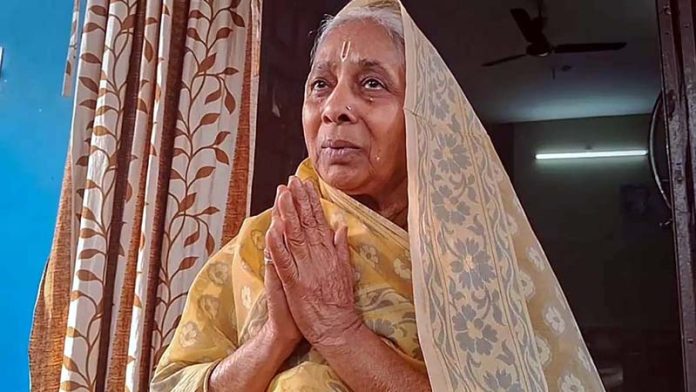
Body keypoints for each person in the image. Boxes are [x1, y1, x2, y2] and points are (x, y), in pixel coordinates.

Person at [151, 1, 605, 391]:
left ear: (421, 117)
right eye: (320, 85)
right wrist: (273, 338)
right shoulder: (264, 242)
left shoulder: (471, 257)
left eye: (372, 84)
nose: (335, 109)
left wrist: (339, 332)